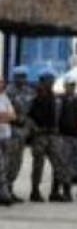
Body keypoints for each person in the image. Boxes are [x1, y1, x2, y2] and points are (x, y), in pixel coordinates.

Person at [28, 70, 68, 203]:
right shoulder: (35, 97)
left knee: (59, 163)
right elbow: (28, 116)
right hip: (40, 135)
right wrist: (35, 129)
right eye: (49, 80)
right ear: (43, 81)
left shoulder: (53, 96)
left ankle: (55, 192)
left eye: (52, 80)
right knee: (38, 165)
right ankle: (35, 191)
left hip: (53, 135)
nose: (52, 83)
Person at [7, 66, 35, 201]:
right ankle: (4, 190)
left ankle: (10, 188)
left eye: (24, 76)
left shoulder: (29, 91)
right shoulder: (8, 92)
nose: (22, 79)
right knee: (8, 161)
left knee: (17, 162)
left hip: (23, 133)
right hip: (10, 132)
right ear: (14, 78)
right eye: (19, 77)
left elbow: (32, 110)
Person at [0, 78, 16, 206]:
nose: (1, 84)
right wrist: (5, 116)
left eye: (2, 82)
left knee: (6, 164)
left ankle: (5, 192)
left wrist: (4, 116)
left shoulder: (5, 98)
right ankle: (4, 194)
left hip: (6, 136)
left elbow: (13, 116)